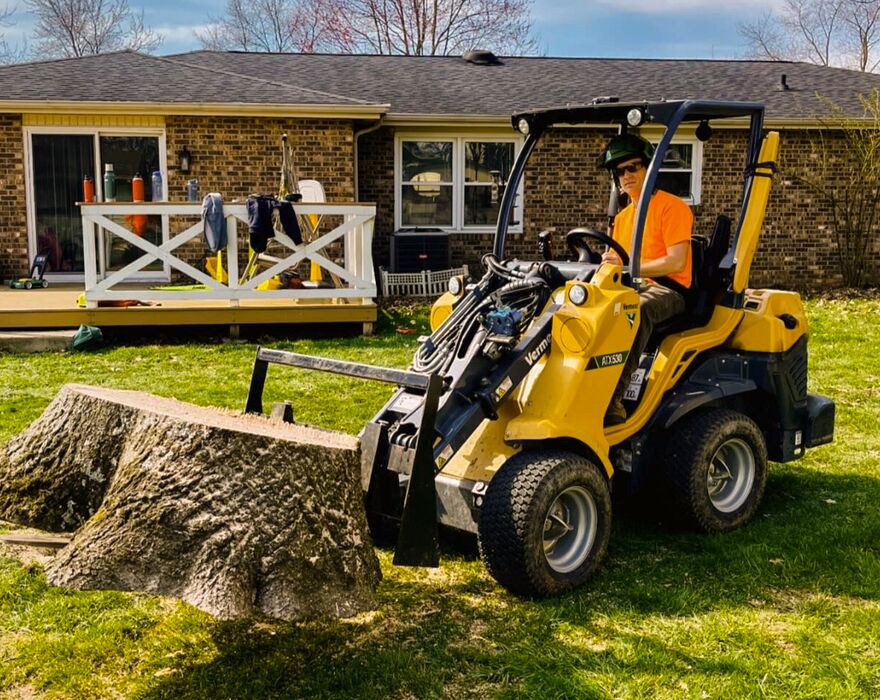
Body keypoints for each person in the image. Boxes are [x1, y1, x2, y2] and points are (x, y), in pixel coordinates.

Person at [599, 133, 693, 426]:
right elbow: (616, 260)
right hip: (632, 286)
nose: (626, 176)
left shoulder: (672, 207)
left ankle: (612, 399)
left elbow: (675, 261)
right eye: (620, 171)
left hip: (670, 289)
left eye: (632, 167)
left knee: (633, 310)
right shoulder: (623, 218)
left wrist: (629, 268)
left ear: (649, 169)